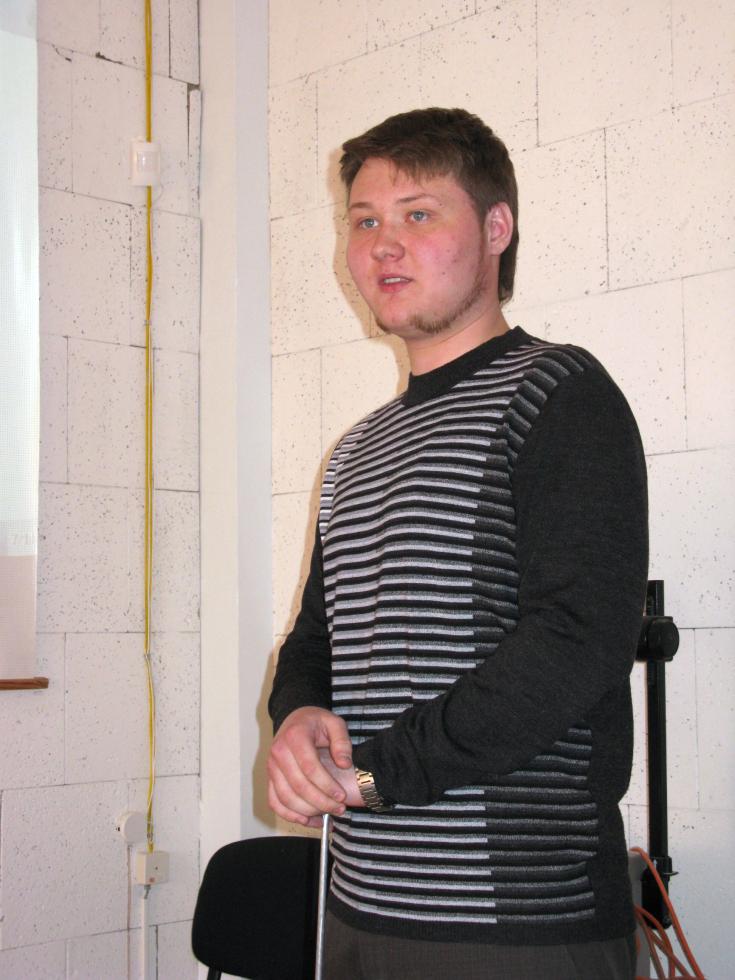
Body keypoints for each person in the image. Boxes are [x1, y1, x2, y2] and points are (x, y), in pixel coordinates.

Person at [267, 107, 648, 980]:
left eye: (418, 213)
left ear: (494, 228)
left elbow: (575, 645)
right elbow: (317, 639)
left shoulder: (558, 395)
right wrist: (296, 714)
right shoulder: (355, 452)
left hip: (516, 923)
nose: (383, 245)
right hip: (356, 905)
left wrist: (371, 778)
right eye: (364, 221)